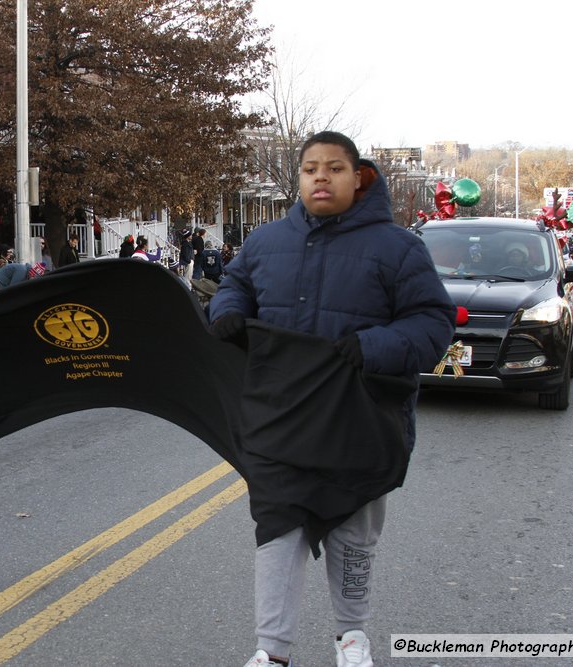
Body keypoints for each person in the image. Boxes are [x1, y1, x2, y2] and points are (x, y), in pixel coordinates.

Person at [208, 131, 454, 667]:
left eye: (335, 168)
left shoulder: (398, 247)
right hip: (281, 418)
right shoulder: (265, 241)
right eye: (311, 169)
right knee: (277, 530)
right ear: (298, 179)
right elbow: (235, 285)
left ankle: (351, 635)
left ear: (358, 176)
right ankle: (271, 651)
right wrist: (225, 309)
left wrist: (371, 346)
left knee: (353, 533)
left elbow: (433, 325)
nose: (321, 177)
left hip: (360, 420)